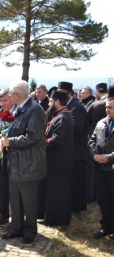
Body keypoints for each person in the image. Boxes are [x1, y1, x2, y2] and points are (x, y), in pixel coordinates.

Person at [0, 80, 46, 244]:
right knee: (15, 200)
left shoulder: (35, 109)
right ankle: (15, 228)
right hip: (15, 164)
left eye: (11, 94)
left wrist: (10, 142)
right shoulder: (20, 109)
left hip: (28, 164)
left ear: (16, 95)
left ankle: (30, 231)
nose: (10, 98)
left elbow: (33, 136)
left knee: (29, 202)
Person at [42, 90, 73, 226]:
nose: (49, 103)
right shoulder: (60, 115)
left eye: (50, 101)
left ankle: (56, 221)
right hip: (56, 162)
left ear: (57, 102)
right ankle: (53, 219)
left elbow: (57, 140)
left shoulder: (63, 117)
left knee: (58, 193)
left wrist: (42, 142)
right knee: (54, 192)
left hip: (59, 163)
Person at [57, 81, 88, 213]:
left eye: (63, 93)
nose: (60, 95)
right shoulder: (66, 106)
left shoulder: (76, 106)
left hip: (76, 151)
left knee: (76, 182)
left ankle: (76, 208)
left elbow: (77, 127)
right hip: (68, 151)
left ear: (70, 93)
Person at [89, 88, 114, 241]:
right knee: (104, 200)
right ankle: (106, 227)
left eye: (110, 107)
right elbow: (91, 140)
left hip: (111, 167)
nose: (107, 109)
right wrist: (94, 155)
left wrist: (109, 158)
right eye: (106, 107)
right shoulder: (100, 123)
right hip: (101, 169)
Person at [0, 88, 17, 226]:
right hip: (0, 157)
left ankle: (17, 218)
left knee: (14, 190)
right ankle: (3, 215)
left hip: (14, 157)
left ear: (12, 99)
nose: (2, 103)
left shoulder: (19, 113)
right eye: (0, 101)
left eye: (5, 100)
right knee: (2, 188)